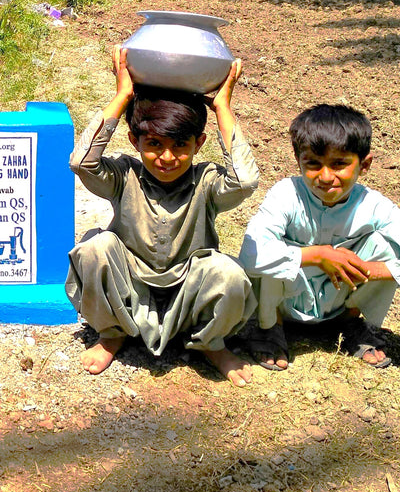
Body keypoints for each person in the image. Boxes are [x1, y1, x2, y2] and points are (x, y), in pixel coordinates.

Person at [65, 48, 259, 386]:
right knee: (94, 248)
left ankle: (210, 343)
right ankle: (112, 333)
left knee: (228, 272)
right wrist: (123, 95)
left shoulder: (207, 182)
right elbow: (82, 163)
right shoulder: (123, 175)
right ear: (134, 142)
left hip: (188, 292)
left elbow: (244, 180)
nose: (167, 157)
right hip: (129, 289)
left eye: (180, 145)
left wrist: (222, 107)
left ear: (198, 144)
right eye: (154, 143)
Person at [238, 104, 399, 371]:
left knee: (384, 243)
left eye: (339, 164)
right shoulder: (286, 195)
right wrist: (316, 256)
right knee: (269, 247)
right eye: (313, 163)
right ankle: (269, 327)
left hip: (339, 300)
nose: (325, 177)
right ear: (298, 159)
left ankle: (350, 323)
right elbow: (250, 256)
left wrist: (369, 270)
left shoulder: (374, 205)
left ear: (365, 164)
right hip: (286, 304)